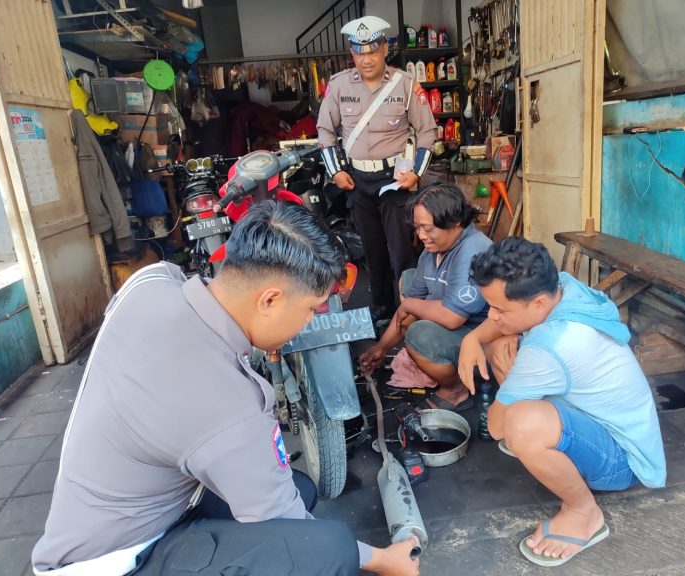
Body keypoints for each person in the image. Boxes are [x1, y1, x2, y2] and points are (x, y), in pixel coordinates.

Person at [32, 201, 419, 576]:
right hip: (117, 561)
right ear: (269, 300)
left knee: (297, 488)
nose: (307, 323)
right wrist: (386, 560)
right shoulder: (227, 405)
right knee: (327, 549)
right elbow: (285, 520)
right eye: (310, 310)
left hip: (115, 515)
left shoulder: (151, 283)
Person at [457, 237, 666, 567]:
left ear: (538, 303)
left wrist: (505, 367)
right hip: (605, 420)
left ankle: (583, 512)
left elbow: (497, 428)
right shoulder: (562, 285)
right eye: (489, 307)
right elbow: (504, 325)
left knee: (520, 424)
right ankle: (546, 437)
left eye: (499, 309)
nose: (491, 316)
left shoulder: (551, 345)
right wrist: (475, 337)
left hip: (623, 460)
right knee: (502, 344)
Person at [317, 15, 437, 322]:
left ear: (385, 49)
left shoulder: (406, 84)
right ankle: (382, 309)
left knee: (402, 252)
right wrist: (336, 172)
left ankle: (410, 310)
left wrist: (417, 174)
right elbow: (325, 132)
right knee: (372, 252)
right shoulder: (339, 85)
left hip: (396, 180)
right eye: (359, 52)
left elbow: (427, 132)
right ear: (352, 53)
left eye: (372, 50)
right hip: (357, 181)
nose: (366, 59)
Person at [359, 183, 491, 411]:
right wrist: (381, 348)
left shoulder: (473, 250)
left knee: (419, 334)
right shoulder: (433, 253)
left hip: (483, 343)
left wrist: (409, 305)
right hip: (455, 332)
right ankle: (437, 364)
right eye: (417, 228)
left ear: (455, 223)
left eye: (428, 229)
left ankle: (456, 389)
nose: (421, 236)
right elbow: (409, 309)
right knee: (409, 278)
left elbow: (451, 318)